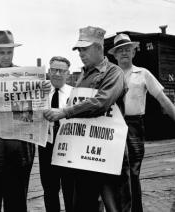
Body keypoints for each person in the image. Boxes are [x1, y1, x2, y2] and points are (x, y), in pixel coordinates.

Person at [44, 26, 132, 212]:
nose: (81, 54)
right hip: (85, 156)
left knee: (115, 205)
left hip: (109, 154)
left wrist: (65, 112)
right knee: (84, 204)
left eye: (85, 49)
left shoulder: (114, 72)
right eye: (79, 50)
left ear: (99, 48)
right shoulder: (83, 74)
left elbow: (102, 102)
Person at [108, 33, 175, 212]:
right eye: (120, 50)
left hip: (133, 127)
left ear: (134, 53)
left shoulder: (143, 73)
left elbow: (163, 99)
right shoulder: (108, 76)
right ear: (114, 55)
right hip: (112, 126)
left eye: (128, 50)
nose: (124, 53)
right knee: (113, 172)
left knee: (133, 173)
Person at [0, 30, 35, 212]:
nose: (5, 56)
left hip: (19, 148)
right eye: (1, 52)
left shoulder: (25, 76)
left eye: (9, 52)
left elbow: (30, 114)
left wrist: (42, 91)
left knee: (17, 201)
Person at [38, 56, 74, 212]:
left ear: (68, 74)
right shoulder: (40, 92)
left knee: (70, 188)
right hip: (46, 145)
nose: (57, 74)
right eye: (54, 70)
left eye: (62, 71)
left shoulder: (75, 93)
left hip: (69, 146)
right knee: (49, 188)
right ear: (48, 72)